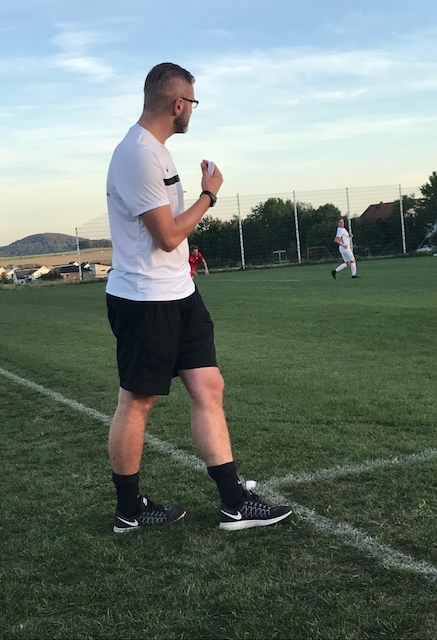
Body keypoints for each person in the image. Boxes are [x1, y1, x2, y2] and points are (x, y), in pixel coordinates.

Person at [105, 62, 292, 534]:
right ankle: (128, 511)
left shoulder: (158, 152)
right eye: (193, 101)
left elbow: (169, 239)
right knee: (138, 400)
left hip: (180, 294)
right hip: (145, 300)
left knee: (209, 387)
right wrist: (209, 195)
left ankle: (234, 503)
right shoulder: (137, 155)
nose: (193, 110)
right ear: (177, 104)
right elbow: (167, 235)